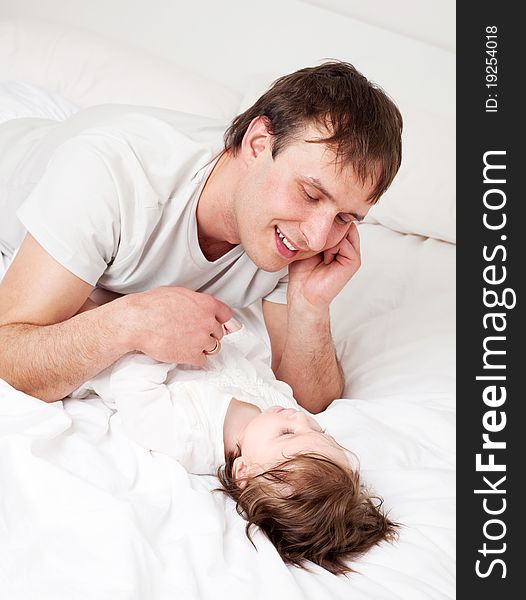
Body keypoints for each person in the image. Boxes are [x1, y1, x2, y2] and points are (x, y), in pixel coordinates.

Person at [0, 61, 403, 411]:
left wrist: (310, 307)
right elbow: (8, 353)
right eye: (311, 193)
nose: (317, 238)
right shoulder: (109, 174)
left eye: (346, 217)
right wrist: (131, 320)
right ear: (258, 144)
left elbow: (311, 401)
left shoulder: (294, 232)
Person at [75, 317, 398, 575]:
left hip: (118, 349)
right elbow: (258, 370)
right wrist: (238, 338)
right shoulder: (275, 408)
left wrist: (163, 347)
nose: (300, 418)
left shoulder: (188, 438)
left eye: (288, 433)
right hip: (186, 326)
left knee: (86, 311)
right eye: (317, 428)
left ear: (243, 470)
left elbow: (130, 387)